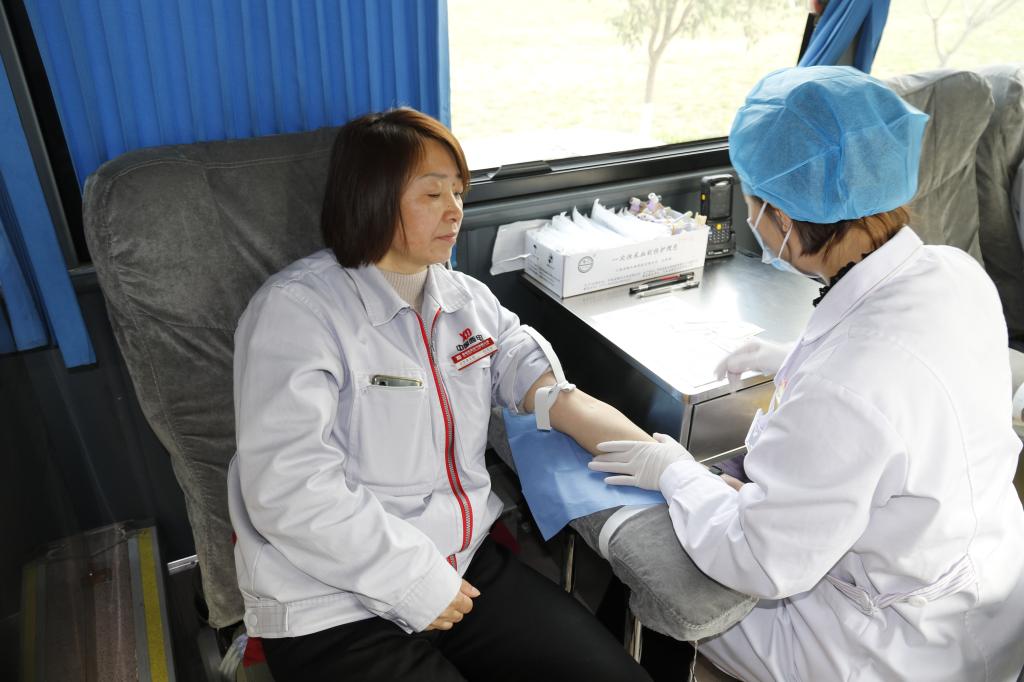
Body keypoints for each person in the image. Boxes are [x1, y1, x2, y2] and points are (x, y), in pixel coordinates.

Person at [589, 66, 1024, 681]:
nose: (752, 216)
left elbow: (759, 560)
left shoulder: (844, 390)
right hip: (993, 589)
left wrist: (676, 473)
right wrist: (791, 356)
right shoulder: (955, 273)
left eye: (751, 200)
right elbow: (905, 368)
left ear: (783, 218)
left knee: (663, 583)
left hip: (889, 644)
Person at [226, 107, 654, 682]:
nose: (454, 209)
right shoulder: (297, 312)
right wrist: (414, 582)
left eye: (458, 191)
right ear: (372, 199)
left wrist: (671, 467)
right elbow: (288, 488)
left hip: (460, 565)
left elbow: (557, 399)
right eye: (432, 194)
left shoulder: (467, 302)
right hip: (328, 600)